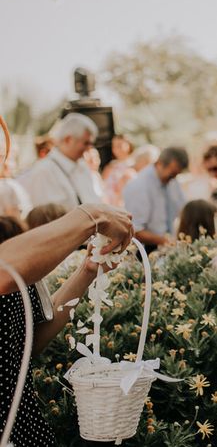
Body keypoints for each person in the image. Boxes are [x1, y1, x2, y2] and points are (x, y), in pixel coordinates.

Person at [0, 112, 134, 447]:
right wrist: (91, 215)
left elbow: (33, 337)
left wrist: (88, 270)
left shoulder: (9, 232)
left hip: (21, 423)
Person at [17, 113, 103, 208]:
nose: (89, 148)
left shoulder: (82, 166)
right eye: (86, 143)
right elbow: (48, 218)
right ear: (68, 139)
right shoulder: (43, 171)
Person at [122, 146, 188, 252]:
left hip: (169, 245)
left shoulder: (172, 182)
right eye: (172, 174)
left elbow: (182, 209)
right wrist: (166, 241)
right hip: (145, 250)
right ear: (160, 164)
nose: (174, 178)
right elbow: (135, 230)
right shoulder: (139, 186)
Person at [101, 134, 136, 207]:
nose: (116, 149)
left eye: (119, 145)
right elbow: (103, 184)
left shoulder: (134, 164)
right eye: (114, 146)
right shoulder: (111, 165)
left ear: (129, 145)